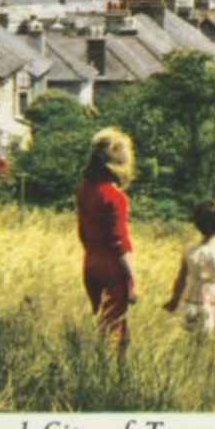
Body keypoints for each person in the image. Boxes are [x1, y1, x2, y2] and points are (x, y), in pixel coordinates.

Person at [76, 127, 139, 350]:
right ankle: (106, 377)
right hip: (112, 267)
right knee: (112, 328)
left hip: (90, 263)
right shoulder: (115, 196)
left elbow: (82, 232)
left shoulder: (84, 190)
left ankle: (104, 368)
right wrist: (132, 279)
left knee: (101, 321)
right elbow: (120, 241)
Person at [164, 198, 215, 340]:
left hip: (192, 297)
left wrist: (174, 299)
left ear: (196, 224)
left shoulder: (190, 251)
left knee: (192, 339)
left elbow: (181, 279)